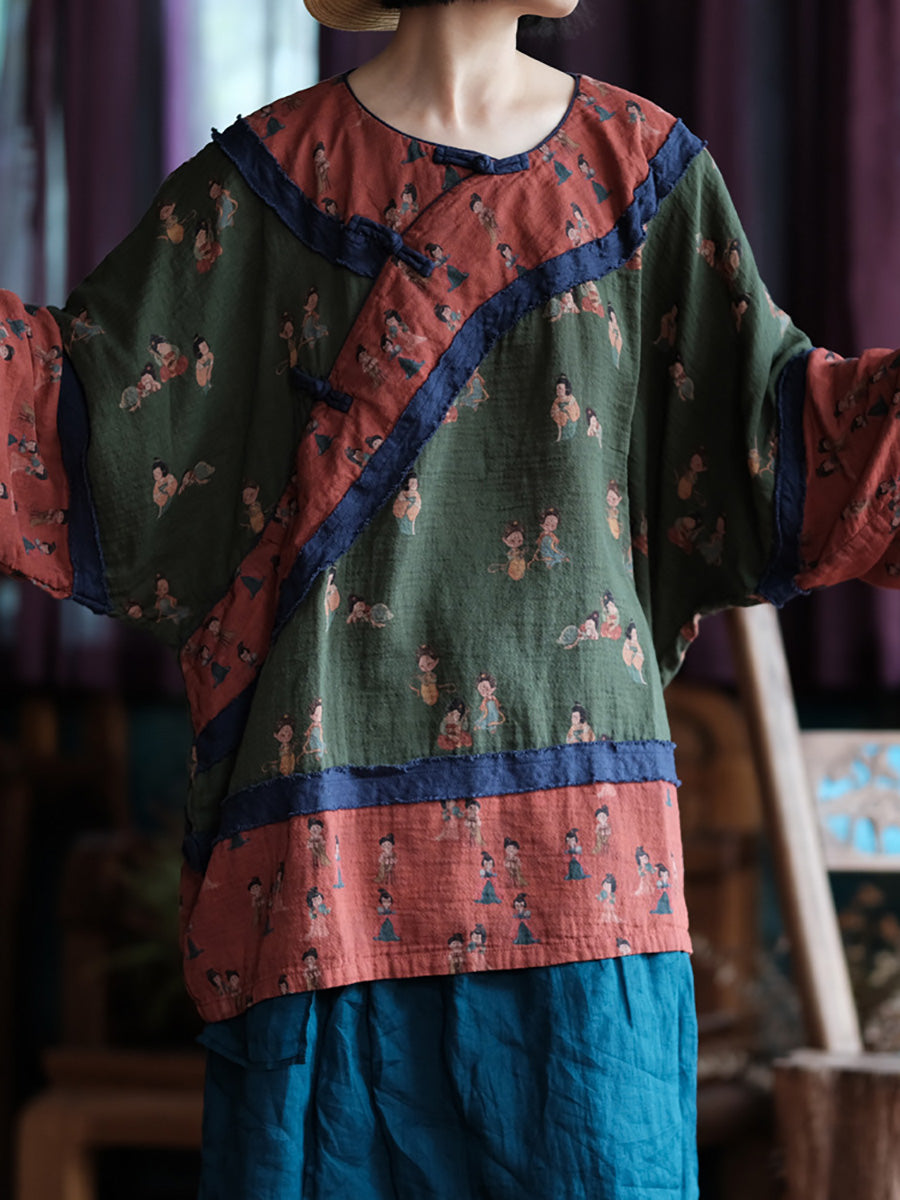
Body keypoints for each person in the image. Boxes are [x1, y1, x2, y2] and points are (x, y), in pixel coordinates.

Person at [2, 1, 900, 1197]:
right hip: (325, 891)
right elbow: (76, 429)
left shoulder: (645, 177)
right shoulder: (265, 183)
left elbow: (792, 456)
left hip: (584, 896)